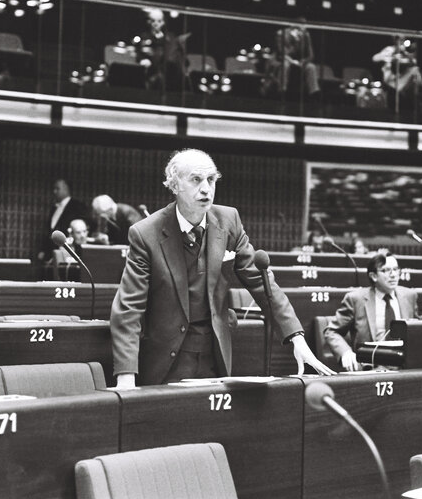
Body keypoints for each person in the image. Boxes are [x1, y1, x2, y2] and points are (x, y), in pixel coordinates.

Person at [110, 148, 334, 388]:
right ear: (174, 186)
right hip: (166, 359)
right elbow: (128, 309)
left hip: (215, 355)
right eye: (196, 180)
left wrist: (296, 338)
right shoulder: (145, 234)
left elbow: (261, 283)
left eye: (211, 179)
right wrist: (126, 377)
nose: (206, 188)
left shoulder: (229, 221)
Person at [323, 252, 418, 371]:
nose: (393, 275)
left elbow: (416, 330)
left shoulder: (409, 296)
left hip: (404, 367)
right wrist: (346, 352)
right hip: (371, 367)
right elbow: (331, 331)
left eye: (396, 269)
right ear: (373, 276)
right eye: (386, 270)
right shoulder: (356, 299)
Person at [37, 178, 87, 261]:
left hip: (69, 253)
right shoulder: (54, 208)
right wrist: (44, 249)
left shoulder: (77, 206)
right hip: (51, 253)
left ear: (66, 189)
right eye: (54, 189)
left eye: (57, 188)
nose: (54, 191)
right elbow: (49, 231)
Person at [137, 8, 186, 91]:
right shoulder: (144, 37)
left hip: (169, 73)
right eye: (153, 21)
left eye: (159, 21)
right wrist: (143, 60)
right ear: (149, 22)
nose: (156, 24)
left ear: (163, 22)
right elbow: (139, 53)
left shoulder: (170, 37)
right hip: (152, 72)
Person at [270, 21, 320, 99]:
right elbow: (282, 53)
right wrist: (295, 44)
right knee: (285, 65)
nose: (302, 27)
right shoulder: (281, 33)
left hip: (299, 61)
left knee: (311, 67)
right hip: (283, 59)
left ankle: (314, 93)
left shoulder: (306, 35)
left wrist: (304, 61)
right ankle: (282, 91)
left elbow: (311, 55)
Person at [373, 36, 422, 111]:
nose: (401, 41)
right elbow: (375, 58)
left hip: (407, 88)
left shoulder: (407, 50)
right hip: (393, 84)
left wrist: (407, 55)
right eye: (398, 39)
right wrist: (390, 57)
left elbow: (414, 63)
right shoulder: (390, 49)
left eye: (403, 39)